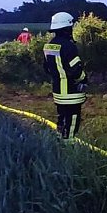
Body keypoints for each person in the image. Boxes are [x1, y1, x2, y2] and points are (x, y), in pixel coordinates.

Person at [43, 12, 88, 142]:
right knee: (72, 121)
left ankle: (59, 142)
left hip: (58, 91)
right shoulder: (69, 46)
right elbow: (76, 70)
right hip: (71, 92)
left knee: (62, 118)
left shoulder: (49, 45)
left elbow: (46, 68)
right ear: (67, 28)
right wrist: (83, 80)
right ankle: (68, 149)